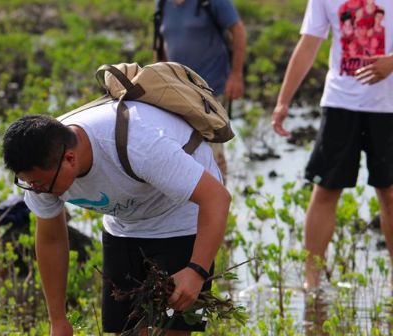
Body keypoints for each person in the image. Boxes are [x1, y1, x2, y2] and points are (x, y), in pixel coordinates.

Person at [2, 106, 231, 336]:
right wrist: (57, 319)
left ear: (70, 158)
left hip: (183, 216)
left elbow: (216, 198)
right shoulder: (42, 169)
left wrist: (196, 271)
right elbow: (52, 239)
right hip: (125, 225)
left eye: (42, 184)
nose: (37, 191)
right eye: (29, 184)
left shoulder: (139, 143)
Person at [271, 0, 393, 291]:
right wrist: (283, 101)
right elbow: (309, 44)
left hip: (388, 107)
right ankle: (311, 279)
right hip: (340, 103)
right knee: (325, 188)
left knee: (389, 193)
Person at [154, 0, 247, 179]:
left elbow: (238, 31)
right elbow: (160, 46)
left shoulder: (212, 2)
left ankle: (219, 201)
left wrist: (236, 75)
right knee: (179, 151)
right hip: (176, 91)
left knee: (212, 152)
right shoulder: (163, 3)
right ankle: (191, 204)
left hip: (210, 90)